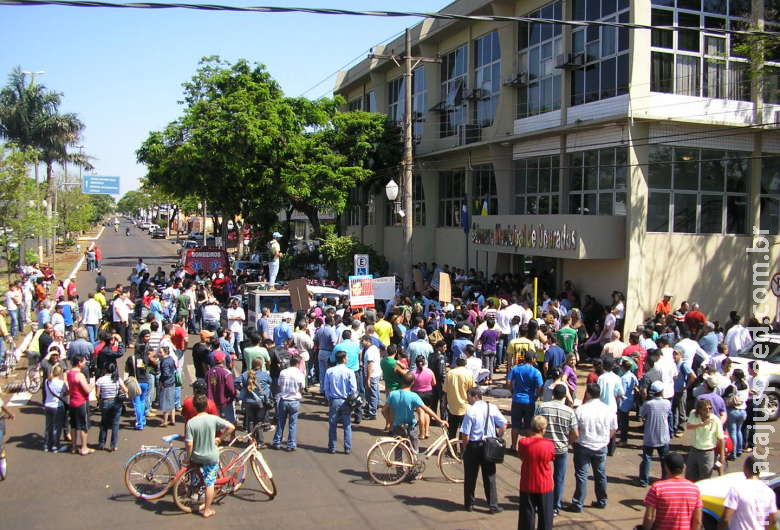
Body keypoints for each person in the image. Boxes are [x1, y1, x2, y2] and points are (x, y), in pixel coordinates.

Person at [566, 383, 616, 512]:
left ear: (588, 393)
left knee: (582, 475)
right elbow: (613, 428)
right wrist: (606, 440)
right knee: (600, 474)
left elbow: (574, 429)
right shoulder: (608, 409)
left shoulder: (581, 410)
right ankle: (602, 500)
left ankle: (578, 503)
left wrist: (572, 442)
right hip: (600, 446)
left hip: (583, 445)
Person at [184, 394, 236, 518]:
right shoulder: (213, 419)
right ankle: (207, 510)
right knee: (210, 483)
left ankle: (195, 493)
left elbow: (189, 444)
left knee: (198, 474)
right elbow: (231, 427)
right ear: (207, 406)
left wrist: (188, 457)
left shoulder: (191, 423)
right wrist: (220, 438)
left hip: (197, 456)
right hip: (211, 456)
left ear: (195, 407)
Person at [384, 371, 446, 468]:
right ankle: (413, 471)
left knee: (399, 449)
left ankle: (399, 472)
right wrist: (440, 420)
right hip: (410, 426)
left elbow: (384, 410)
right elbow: (426, 409)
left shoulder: (393, 394)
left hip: (397, 425)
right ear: (413, 383)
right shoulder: (414, 396)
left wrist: (389, 421)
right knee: (414, 450)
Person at [459, 386, 505, 514]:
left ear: (474, 396)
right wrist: (499, 436)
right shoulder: (492, 408)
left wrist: (465, 448)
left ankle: (469, 504)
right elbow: (503, 424)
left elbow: (465, 434)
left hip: (474, 446)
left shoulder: (470, 411)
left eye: (468, 396)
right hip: (489, 445)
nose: (467, 399)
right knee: (490, 476)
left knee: (470, 476)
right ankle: (493, 505)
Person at [535, 384, 578, 516]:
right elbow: (575, 433)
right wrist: (567, 443)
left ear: (553, 394)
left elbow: (534, 425)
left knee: (541, 476)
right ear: (564, 396)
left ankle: (540, 503)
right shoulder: (570, 412)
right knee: (559, 478)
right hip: (561, 448)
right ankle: (555, 506)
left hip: (543, 447)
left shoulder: (542, 407)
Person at [641, 452, 702, 530]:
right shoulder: (694, 489)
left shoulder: (657, 488)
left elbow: (649, 518)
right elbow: (697, 521)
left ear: (666, 468)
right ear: (683, 467)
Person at [517, 415, 555, 529]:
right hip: (545, 484)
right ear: (543, 429)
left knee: (526, 516)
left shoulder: (523, 443)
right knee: (545, 517)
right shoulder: (549, 444)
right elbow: (551, 458)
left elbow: (521, 456)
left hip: (527, 483)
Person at [719, 455, 778, 530]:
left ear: (745, 468)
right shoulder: (769, 492)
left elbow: (726, 518)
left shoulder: (736, 489)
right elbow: (773, 518)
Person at [322, 350, 357, 454]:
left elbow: (326, 388)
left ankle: (332, 447)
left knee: (332, 424)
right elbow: (354, 388)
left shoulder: (330, 371)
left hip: (334, 400)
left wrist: (329, 399)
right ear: (344, 359)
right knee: (347, 425)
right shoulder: (350, 371)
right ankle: (347, 448)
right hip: (346, 400)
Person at [506, 350, 543, 448]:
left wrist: (513, 392)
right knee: (528, 426)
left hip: (517, 400)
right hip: (530, 401)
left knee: (515, 425)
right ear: (532, 359)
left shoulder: (516, 369)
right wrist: (536, 396)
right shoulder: (536, 372)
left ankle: (513, 446)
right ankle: (527, 447)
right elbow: (540, 387)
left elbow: (508, 382)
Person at [638, 381, 672, 487]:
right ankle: (665, 479)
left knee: (647, 458)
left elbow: (641, 415)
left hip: (650, 435)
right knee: (664, 458)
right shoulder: (667, 403)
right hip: (663, 435)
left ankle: (644, 481)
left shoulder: (648, 404)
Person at [685, 398, 725, 482]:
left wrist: (722, 455)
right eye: (705, 409)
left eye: (710, 408)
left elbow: (721, 439)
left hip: (707, 453)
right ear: (699, 410)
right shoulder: (693, 414)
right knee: (690, 477)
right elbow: (688, 426)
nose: (708, 410)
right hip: (694, 450)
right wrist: (701, 424)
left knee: (705, 479)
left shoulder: (715, 420)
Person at [273, 354, 305, 451]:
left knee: (280, 422)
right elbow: (302, 387)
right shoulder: (300, 374)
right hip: (294, 401)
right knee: (293, 424)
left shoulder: (283, 372)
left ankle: (277, 442)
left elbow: (279, 384)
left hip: (283, 399)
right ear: (298, 364)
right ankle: (291, 444)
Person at [238, 357, 273, 446]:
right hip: (260, 402)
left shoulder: (246, 374)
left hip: (248, 401)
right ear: (261, 365)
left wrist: (243, 388)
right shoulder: (264, 374)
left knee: (250, 421)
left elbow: (236, 382)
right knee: (259, 421)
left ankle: (251, 441)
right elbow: (270, 382)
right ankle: (260, 442)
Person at [95, 363, 127, 451]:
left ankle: (101, 443)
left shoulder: (100, 380)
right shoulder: (117, 379)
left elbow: (97, 394)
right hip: (116, 402)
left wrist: (99, 402)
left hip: (105, 401)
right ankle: (113, 445)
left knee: (104, 423)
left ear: (105, 370)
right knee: (115, 424)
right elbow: (126, 389)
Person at [67, 354, 94, 455]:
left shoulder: (69, 373)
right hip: (81, 402)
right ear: (79, 363)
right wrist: (91, 385)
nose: (85, 363)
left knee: (73, 426)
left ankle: (73, 447)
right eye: (83, 361)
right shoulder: (80, 375)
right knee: (84, 426)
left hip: (72, 401)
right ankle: (84, 447)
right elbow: (87, 390)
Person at [443, 357, 475, 440]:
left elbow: (445, 391)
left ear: (456, 363)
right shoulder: (468, 374)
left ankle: (451, 450)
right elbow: (472, 390)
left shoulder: (450, 373)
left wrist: (444, 405)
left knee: (452, 431)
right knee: (464, 431)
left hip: (452, 407)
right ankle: (463, 450)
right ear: (465, 363)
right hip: (465, 407)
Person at [723, 369, 749, 461]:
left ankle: (733, 453)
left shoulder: (733, 386)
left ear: (735, 376)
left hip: (733, 411)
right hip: (743, 411)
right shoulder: (746, 385)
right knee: (739, 431)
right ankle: (739, 450)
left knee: (732, 432)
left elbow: (724, 395)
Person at [206, 351, 236, 424]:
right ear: (223, 360)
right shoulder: (227, 373)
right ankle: (232, 436)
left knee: (215, 422)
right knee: (230, 422)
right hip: (225, 402)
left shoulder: (208, 373)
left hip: (212, 402)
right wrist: (232, 398)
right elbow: (231, 389)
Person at [43, 363, 68, 452]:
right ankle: (55, 446)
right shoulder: (61, 383)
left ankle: (46, 445)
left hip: (47, 405)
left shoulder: (47, 381)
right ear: (60, 373)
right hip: (57, 406)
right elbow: (66, 393)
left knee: (48, 426)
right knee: (56, 427)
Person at [362, 335, 382, 420]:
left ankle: (372, 413)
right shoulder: (374, 348)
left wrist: (368, 378)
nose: (361, 343)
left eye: (362, 341)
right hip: (376, 373)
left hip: (372, 375)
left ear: (367, 341)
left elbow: (370, 365)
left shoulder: (369, 351)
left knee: (372, 394)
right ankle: (372, 407)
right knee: (374, 392)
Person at [157, 346, 177, 427]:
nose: (159, 353)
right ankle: (173, 419)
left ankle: (165, 421)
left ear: (165, 353)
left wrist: (161, 380)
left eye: (161, 352)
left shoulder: (164, 362)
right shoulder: (171, 359)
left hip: (166, 383)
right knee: (171, 401)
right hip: (172, 382)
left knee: (165, 403)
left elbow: (166, 374)